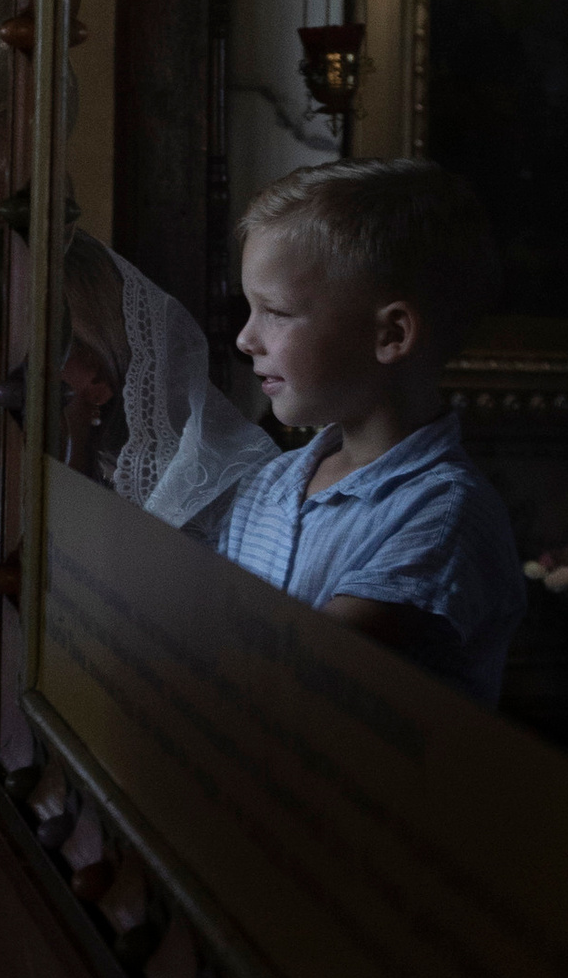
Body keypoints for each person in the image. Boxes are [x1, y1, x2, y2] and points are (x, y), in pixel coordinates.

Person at [214, 157, 524, 700]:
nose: (246, 338)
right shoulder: (269, 485)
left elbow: (294, 681)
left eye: (277, 312)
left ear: (392, 334)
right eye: (249, 308)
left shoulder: (444, 515)